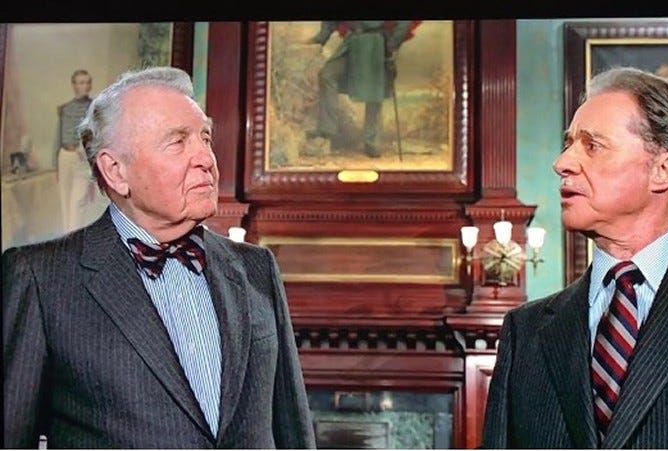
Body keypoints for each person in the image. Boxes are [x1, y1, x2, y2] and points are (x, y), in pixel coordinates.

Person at [3, 66, 316, 448]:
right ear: (116, 172)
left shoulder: (256, 268)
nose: (206, 158)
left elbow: (293, 432)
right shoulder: (41, 278)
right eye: (178, 141)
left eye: (205, 137)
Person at [481, 67, 668, 448]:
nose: (563, 162)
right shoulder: (525, 332)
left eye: (592, 145)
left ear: (663, 170)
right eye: (569, 144)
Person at [305, 21, 418, 158]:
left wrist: (392, 45)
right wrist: (321, 38)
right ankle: (327, 130)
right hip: (352, 43)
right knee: (327, 75)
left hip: (375, 44)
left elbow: (403, 22)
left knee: (374, 92)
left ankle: (372, 142)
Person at [56, 69, 106, 231]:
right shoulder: (65, 108)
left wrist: (91, 160)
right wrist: (55, 163)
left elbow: (97, 135)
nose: (85, 86)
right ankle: (66, 235)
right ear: (74, 85)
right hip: (65, 155)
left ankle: (74, 236)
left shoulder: (94, 108)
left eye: (87, 82)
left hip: (82, 158)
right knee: (65, 198)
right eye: (81, 82)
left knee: (78, 201)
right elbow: (58, 135)